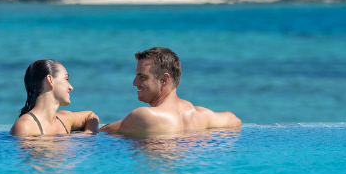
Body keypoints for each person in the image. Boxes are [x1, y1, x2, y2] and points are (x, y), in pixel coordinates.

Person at [99, 47, 241, 133]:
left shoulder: (144, 116)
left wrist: (86, 119)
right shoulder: (200, 115)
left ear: (164, 79)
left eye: (142, 77)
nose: (134, 83)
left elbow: (95, 135)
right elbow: (234, 121)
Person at [10, 59, 99, 136]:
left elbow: (91, 116)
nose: (71, 87)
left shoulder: (64, 119)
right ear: (50, 80)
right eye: (66, 79)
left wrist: (86, 134)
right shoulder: (26, 126)